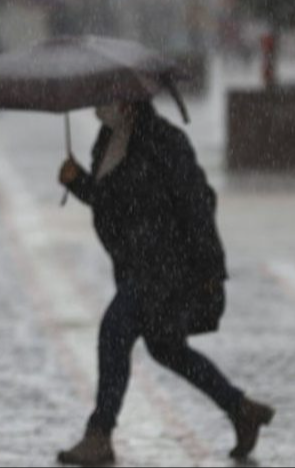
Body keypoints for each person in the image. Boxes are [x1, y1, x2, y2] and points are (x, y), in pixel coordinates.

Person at [56, 101, 274, 466]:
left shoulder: (164, 141)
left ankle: (99, 435)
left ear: (129, 100)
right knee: (165, 347)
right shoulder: (108, 140)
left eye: (108, 97)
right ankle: (241, 409)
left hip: (166, 265)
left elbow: (197, 204)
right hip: (136, 264)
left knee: (115, 330)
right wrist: (78, 182)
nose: (100, 105)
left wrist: (210, 269)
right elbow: (112, 203)